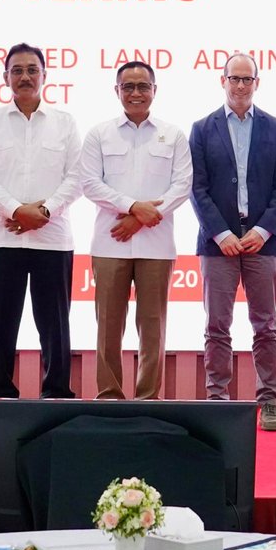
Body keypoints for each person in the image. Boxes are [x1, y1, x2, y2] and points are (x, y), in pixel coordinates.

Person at [0, 43, 83, 399]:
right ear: (5, 77)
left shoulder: (65, 123)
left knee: (55, 325)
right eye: (17, 70)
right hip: (4, 238)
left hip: (54, 239)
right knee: (1, 324)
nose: (25, 77)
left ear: (44, 75)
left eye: (32, 70)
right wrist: (18, 211)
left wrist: (44, 212)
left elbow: (77, 177)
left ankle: (57, 395)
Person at [188, 53, 276, 431]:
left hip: (262, 242)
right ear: (223, 81)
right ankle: (218, 401)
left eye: (247, 79)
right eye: (234, 78)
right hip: (218, 244)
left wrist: (262, 231)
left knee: (266, 326)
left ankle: (269, 401)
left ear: (257, 83)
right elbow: (197, 188)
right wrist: (221, 234)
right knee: (217, 326)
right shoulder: (202, 129)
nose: (240, 85)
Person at [78, 61, 193, 400]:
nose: (136, 93)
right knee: (107, 328)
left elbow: (182, 186)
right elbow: (90, 184)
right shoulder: (99, 133)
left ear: (154, 90)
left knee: (153, 328)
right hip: (110, 243)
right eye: (128, 86)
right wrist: (132, 207)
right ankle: (109, 396)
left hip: (156, 246)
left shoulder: (173, 135)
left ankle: (147, 399)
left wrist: (141, 218)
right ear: (117, 91)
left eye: (143, 86)